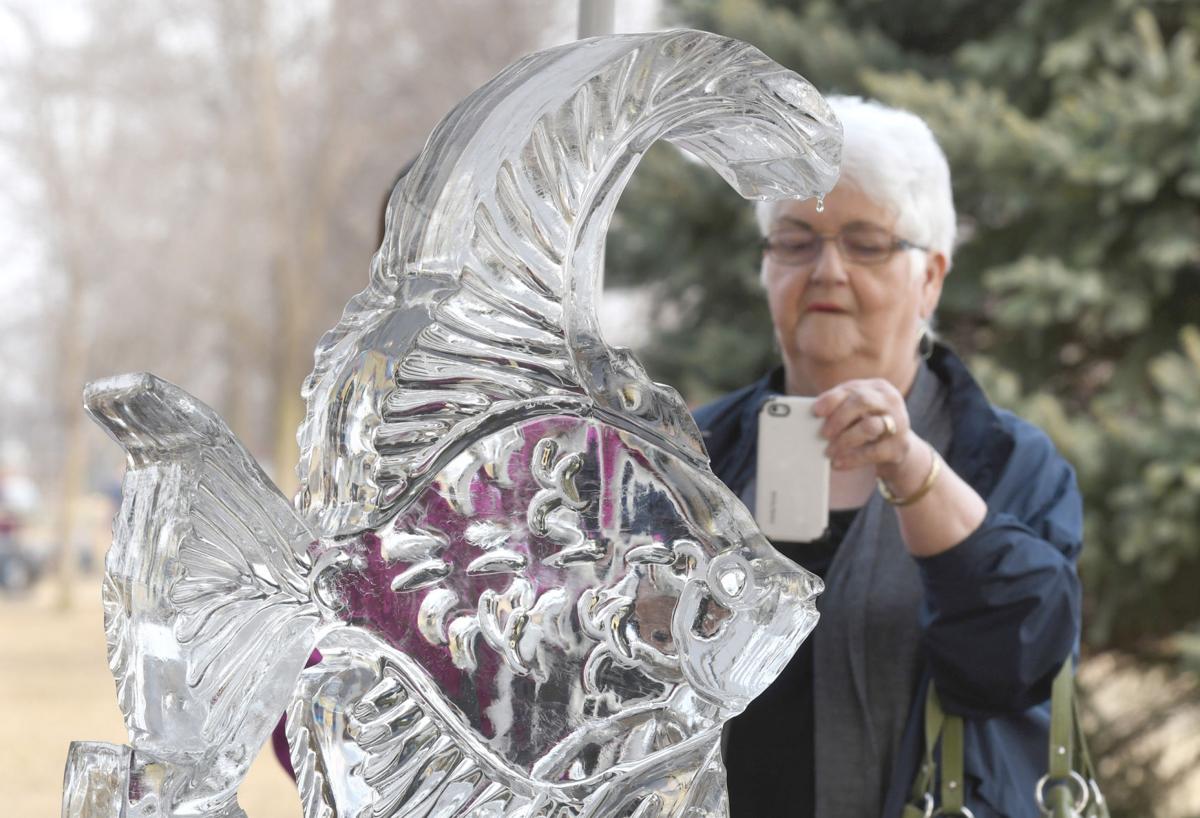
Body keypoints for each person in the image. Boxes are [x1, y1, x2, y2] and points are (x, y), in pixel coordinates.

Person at [694, 97, 1082, 818]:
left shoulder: (1004, 461)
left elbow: (1017, 660)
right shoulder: (694, 453)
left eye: (866, 242)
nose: (827, 269)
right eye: (795, 239)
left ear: (930, 277)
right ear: (767, 265)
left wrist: (911, 467)